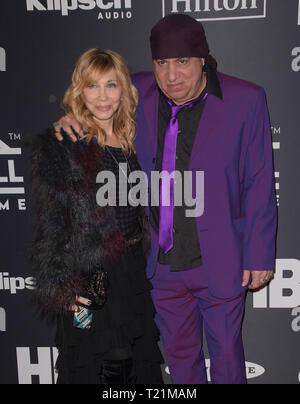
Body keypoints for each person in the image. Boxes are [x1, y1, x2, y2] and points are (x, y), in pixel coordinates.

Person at [54, 14, 277, 384]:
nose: (172, 76)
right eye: (162, 63)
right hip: (160, 265)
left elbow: (259, 181)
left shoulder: (247, 99)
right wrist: (69, 118)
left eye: (183, 62)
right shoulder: (137, 90)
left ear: (203, 58)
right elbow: (95, 97)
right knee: (179, 361)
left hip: (220, 257)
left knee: (226, 359)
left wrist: (259, 253)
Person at [31, 48, 163, 384]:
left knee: (138, 365)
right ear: (80, 91)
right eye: (92, 86)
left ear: (124, 89)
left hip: (132, 267)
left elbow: (171, 82)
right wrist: (62, 285)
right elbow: (51, 223)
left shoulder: (134, 136)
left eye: (111, 85)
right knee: (103, 365)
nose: (102, 97)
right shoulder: (65, 142)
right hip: (92, 271)